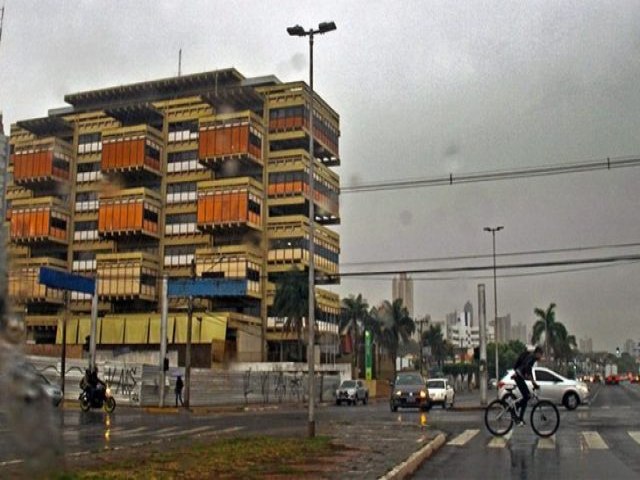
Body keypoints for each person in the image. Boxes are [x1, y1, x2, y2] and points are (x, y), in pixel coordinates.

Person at [512, 345, 543, 426]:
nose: (541, 357)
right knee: (526, 396)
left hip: (519, 376)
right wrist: (534, 383)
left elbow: (528, 371)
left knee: (527, 397)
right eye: (541, 355)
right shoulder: (532, 358)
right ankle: (515, 410)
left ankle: (520, 418)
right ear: (537, 353)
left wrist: (533, 381)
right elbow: (527, 369)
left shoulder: (531, 357)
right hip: (518, 376)